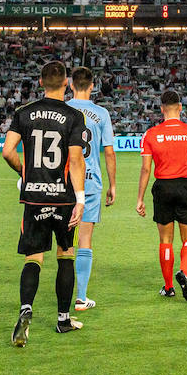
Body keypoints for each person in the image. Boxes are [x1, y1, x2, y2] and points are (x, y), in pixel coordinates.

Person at [2, 60, 86, 346]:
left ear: (40, 82)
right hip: (63, 198)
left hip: (34, 197)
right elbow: (75, 159)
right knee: (66, 254)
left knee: (34, 257)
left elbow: (7, 151)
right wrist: (81, 198)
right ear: (66, 84)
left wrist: (24, 174)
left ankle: (26, 309)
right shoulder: (73, 115)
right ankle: (63, 319)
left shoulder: (23, 113)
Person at [137, 90, 187, 301]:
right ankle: (184, 272)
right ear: (180, 107)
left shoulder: (151, 134)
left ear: (162, 109)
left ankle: (169, 286)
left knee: (165, 240)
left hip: (163, 187)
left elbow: (145, 169)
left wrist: (140, 198)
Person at [66, 66, 116, 312]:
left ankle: (64, 298)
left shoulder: (62, 109)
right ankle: (81, 297)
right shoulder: (101, 113)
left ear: (70, 85)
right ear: (93, 86)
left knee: (65, 241)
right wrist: (113, 185)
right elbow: (108, 151)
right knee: (85, 237)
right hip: (90, 182)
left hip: (64, 182)